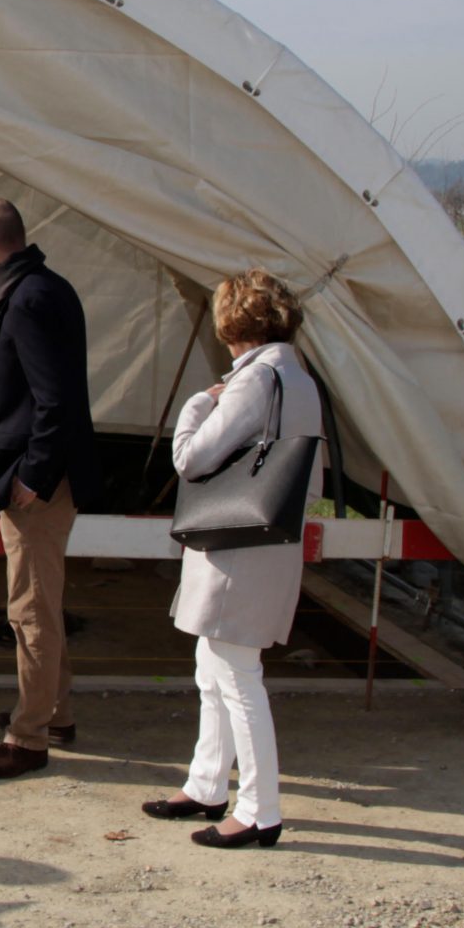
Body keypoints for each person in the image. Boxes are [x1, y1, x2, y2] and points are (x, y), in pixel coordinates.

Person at [142, 268, 318, 848]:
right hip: (268, 543)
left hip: (236, 550)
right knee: (214, 665)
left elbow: (191, 459)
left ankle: (259, 810)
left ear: (231, 325)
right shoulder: (299, 377)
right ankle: (207, 782)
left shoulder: (250, 383)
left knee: (238, 676)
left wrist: (198, 402)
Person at [0, 197, 101, 781]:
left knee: (30, 609)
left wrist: (33, 476)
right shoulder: (41, 288)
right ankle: (53, 712)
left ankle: (29, 737)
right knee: (41, 598)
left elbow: (55, 401)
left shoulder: (27, 299)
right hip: (38, 474)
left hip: (36, 482)